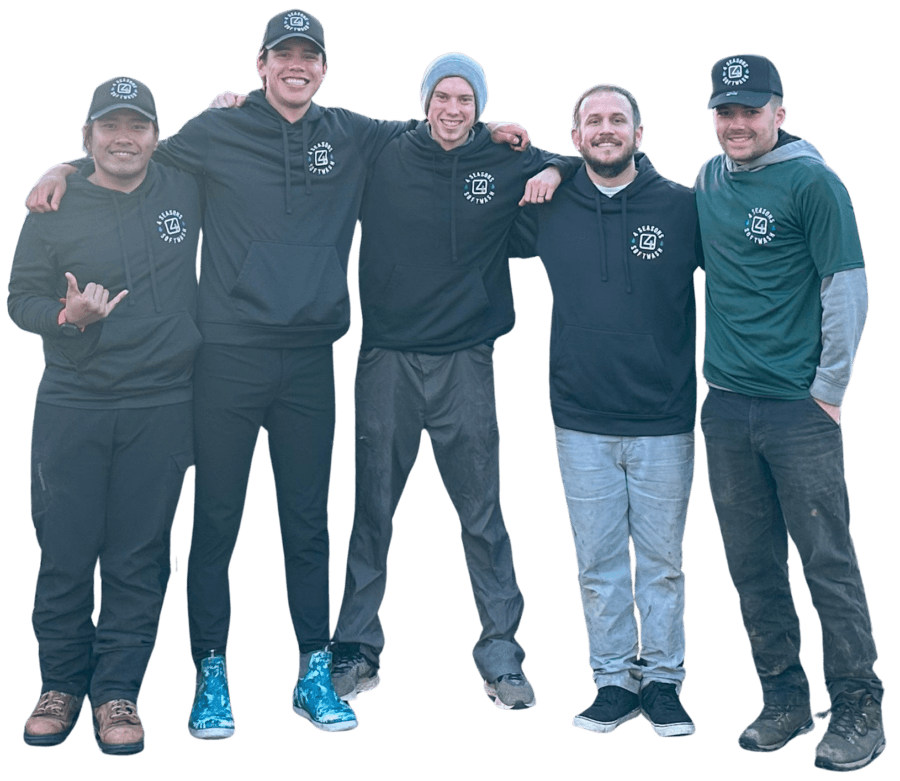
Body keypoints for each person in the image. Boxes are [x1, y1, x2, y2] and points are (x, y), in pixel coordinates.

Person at [25, 10, 530, 737]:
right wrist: (63, 168)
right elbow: (132, 153)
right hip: (226, 358)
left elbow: (437, 134)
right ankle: (212, 674)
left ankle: (313, 671)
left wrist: (507, 136)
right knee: (218, 521)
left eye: (311, 56)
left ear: (323, 69)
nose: (298, 65)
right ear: (260, 63)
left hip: (309, 361)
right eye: (284, 54)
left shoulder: (352, 132)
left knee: (307, 523)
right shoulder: (216, 129)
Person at [327, 53, 574, 710]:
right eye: (444, 97)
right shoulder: (384, 149)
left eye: (466, 100)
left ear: (480, 107)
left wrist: (546, 161)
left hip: (466, 361)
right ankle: (356, 646)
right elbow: (314, 128)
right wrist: (236, 102)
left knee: (481, 511)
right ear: (426, 100)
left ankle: (501, 653)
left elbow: (572, 166)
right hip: (388, 361)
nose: (453, 109)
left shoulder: (502, 159)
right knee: (373, 507)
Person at [695, 53, 885, 772]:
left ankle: (860, 708)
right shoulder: (712, 179)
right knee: (752, 564)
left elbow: (848, 289)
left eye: (750, 109)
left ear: (778, 112)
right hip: (725, 409)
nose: (736, 122)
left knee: (827, 561)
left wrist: (829, 391)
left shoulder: (813, 182)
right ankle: (783, 699)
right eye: (725, 110)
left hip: (798, 412)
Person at [9, 76, 202, 756]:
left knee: (140, 554)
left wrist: (233, 99)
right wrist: (67, 317)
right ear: (87, 136)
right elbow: (21, 298)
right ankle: (59, 684)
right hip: (73, 402)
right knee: (64, 548)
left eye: (138, 126)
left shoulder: (183, 184)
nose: (124, 137)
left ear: (155, 135)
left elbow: (226, 130)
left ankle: (118, 689)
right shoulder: (52, 207)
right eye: (109, 126)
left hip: (161, 404)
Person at [511, 84, 701, 736]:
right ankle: (614, 679)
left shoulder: (681, 208)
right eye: (593, 121)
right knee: (597, 563)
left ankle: (665, 681)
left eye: (617, 118)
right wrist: (551, 167)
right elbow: (486, 171)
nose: (606, 129)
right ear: (577, 136)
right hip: (580, 418)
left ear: (639, 133)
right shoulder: (549, 204)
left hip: (664, 418)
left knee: (662, 564)